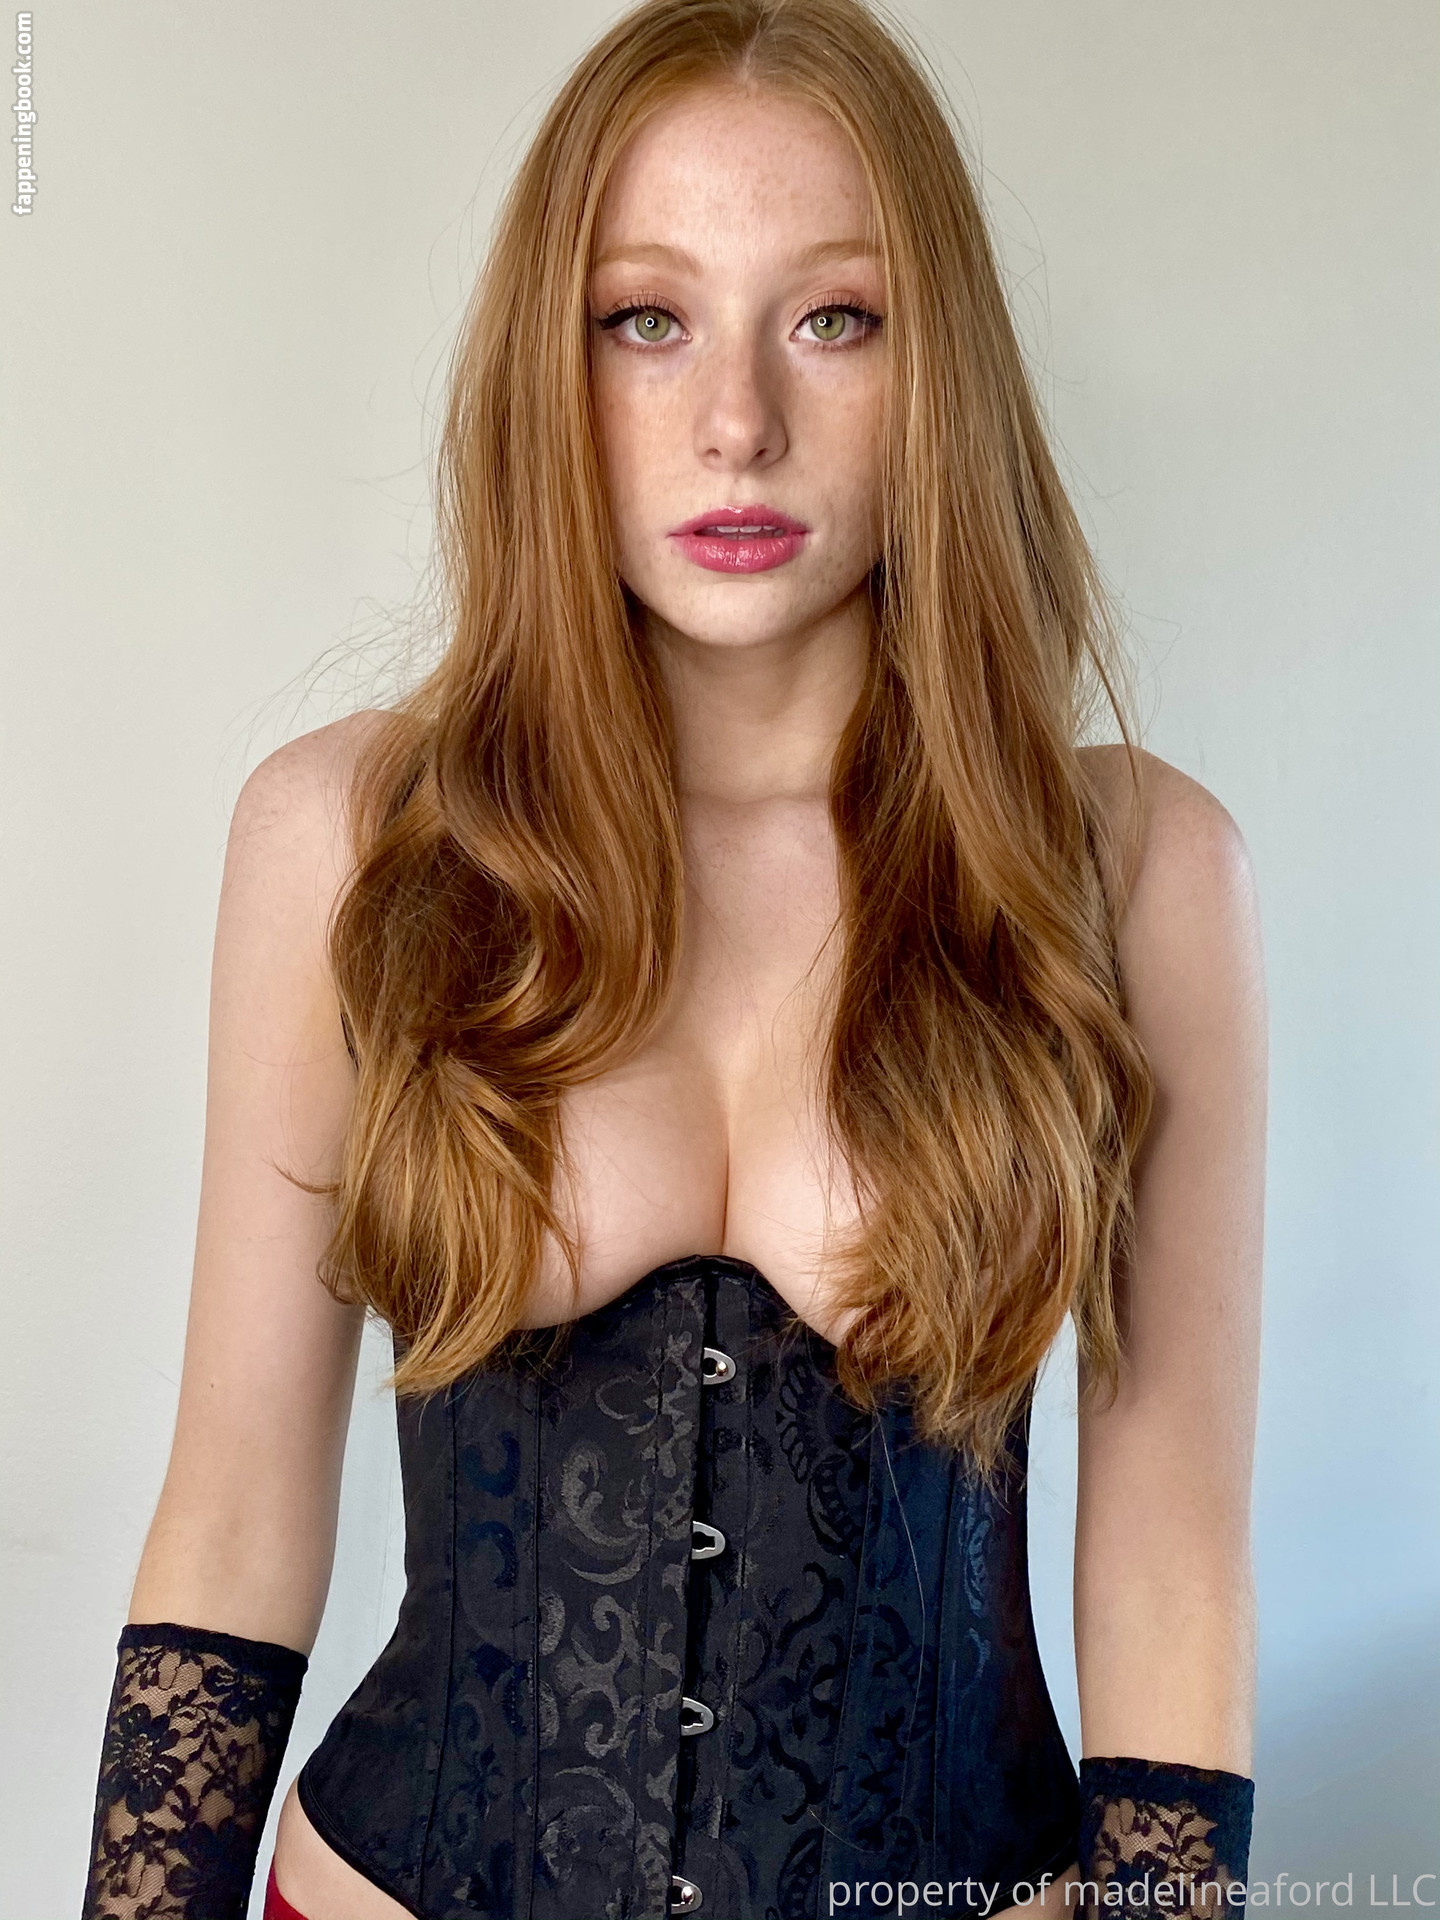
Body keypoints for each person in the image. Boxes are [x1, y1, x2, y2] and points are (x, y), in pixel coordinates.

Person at [79, 1, 1266, 1916]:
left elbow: (1173, 1577)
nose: (737, 423)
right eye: (647, 319)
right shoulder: (357, 843)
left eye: (836, 318)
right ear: (549, 368)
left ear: (939, 368)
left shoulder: (1128, 877)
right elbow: (231, 1515)